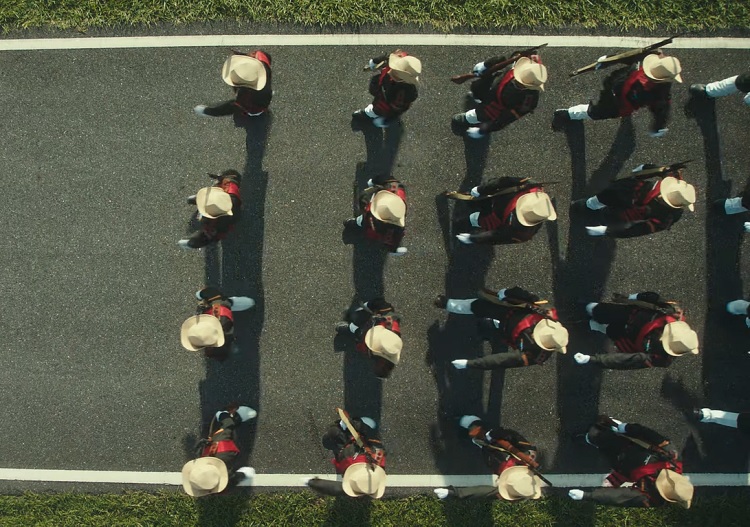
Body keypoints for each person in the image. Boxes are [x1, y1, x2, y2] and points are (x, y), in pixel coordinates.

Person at [568, 415, 693, 508]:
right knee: (597, 434)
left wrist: (588, 496)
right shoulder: (672, 457)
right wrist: (625, 428)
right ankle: (610, 430)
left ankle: (594, 439)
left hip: (623, 468)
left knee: (598, 440)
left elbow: (620, 497)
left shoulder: (652, 498)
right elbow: (649, 434)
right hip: (630, 447)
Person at [435, 286, 568, 370]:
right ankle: (448, 304)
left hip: (507, 333)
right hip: (509, 311)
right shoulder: (547, 312)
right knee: (478, 306)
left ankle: (491, 328)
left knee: (489, 330)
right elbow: (528, 297)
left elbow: (503, 360)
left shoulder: (536, 355)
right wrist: (508, 293)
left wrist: (472, 364)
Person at [553, 53, 682, 138]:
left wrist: (609, 58)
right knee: (598, 109)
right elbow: (661, 109)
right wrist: (657, 127)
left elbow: (626, 56)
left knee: (598, 109)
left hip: (617, 93)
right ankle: (568, 114)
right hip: (617, 93)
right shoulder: (655, 89)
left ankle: (569, 114)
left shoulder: (645, 63)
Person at [574, 292, 699, 369]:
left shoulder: (660, 358)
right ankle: (582, 309)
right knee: (596, 309)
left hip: (625, 338)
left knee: (604, 328)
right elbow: (652, 298)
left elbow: (626, 361)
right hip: (629, 315)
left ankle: (584, 323)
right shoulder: (673, 312)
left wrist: (593, 359)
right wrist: (629, 298)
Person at [434, 416, 548, 500]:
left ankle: (479, 437)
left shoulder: (514, 491)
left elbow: (482, 492)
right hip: (498, 444)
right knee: (488, 433)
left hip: (493, 457)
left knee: (482, 443)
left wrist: (453, 493)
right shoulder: (527, 456)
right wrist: (495, 434)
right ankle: (477, 427)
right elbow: (517, 440)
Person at [573, 164, 695, 238]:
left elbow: (637, 230)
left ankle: (589, 209)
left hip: (625, 209)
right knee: (600, 200)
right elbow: (648, 169)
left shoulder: (666, 218)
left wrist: (607, 231)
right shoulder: (673, 179)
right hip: (622, 192)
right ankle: (587, 206)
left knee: (606, 214)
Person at [452, 54, 547, 139]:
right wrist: (486, 64)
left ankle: (468, 118)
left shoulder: (529, 101)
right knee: (476, 87)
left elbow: (507, 118)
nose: (516, 80)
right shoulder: (522, 60)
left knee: (479, 114)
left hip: (496, 106)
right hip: (493, 83)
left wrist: (485, 129)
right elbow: (504, 60)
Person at [452, 177, 557, 245]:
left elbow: (498, 236)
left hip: (495, 218)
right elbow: (503, 181)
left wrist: (476, 238)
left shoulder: (523, 232)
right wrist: (482, 189)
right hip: (494, 197)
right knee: (475, 203)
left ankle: (468, 221)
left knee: (474, 220)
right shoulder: (530, 186)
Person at [306, 411, 387, 498]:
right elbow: (333, 488)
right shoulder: (348, 458)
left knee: (334, 434)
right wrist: (311, 482)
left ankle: (356, 424)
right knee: (334, 434)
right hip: (356, 443)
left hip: (363, 442)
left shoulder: (378, 460)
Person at [181, 403, 257, 496]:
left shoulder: (223, 449)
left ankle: (226, 415)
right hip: (216, 454)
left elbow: (227, 428)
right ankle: (241, 475)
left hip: (222, 448)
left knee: (226, 428)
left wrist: (228, 417)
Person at [180, 287, 255, 361]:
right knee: (235, 303)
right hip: (224, 309)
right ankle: (237, 303)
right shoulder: (218, 308)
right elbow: (210, 292)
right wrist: (199, 294)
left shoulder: (219, 341)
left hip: (226, 335)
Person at [352, 50, 421, 128]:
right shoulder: (401, 60)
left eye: (397, 73)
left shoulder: (403, 92)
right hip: (382, 87)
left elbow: (394, 107)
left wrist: (385, 115)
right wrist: (376, 61)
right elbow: (389, 57)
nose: (390, 71)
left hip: (385, 99)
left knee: (379, 109)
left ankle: (371, 114)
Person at [335, 298, 402, 378]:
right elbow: (381, 304)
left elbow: (360, 338)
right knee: (362, 321)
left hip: (366, 331)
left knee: (359, 333)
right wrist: (365, 306)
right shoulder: (390, 321)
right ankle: (355, 321)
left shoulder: (370, 350)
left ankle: (350, 327)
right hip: (373, 321)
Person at [194, 50, 272, 118]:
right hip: (265, 95)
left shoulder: (245, 96)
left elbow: (231, 107)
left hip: (257, 106)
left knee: (250, 109)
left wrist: (207, 111)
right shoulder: (261, 58)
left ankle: (254, 113)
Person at [178, 170, 242, 249]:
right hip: (224, 201)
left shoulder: (222, 220)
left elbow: (210, 233)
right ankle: (201, 201)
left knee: (211, 232)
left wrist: (192, 243)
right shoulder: (227, 187)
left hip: (225, 215)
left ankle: (197, 241)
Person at [344, 178, 408, 255]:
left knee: (363, 221)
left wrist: (373, 185)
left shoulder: (393, 187)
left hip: (370, 220)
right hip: (377, 227)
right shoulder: (398, 197)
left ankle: (355, 223)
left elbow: (364, 197)